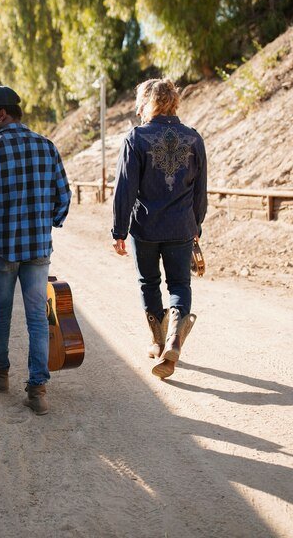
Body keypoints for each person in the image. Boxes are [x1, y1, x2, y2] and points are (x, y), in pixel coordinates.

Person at [0, 85, 71, 415]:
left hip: (2, 249)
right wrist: (45, 223)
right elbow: (63, 198)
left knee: (1, 311)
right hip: (37, 248)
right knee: (38, 317)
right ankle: (37, 389)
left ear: (3, 113)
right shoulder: (47, 146)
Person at [111, 78, 207, 379]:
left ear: (146, 103)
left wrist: (119, 229)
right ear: (174, 101)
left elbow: (124, 188)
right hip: (181, 226)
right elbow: (200, 191)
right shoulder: (193, 138)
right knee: (179, 285)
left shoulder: (136, 138)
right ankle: (174, 340)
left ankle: (156, 340)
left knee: (149, 283)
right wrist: (196, 226)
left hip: (146, 227)